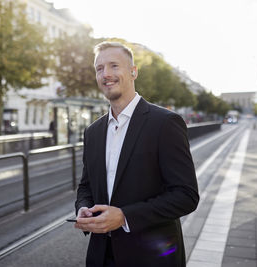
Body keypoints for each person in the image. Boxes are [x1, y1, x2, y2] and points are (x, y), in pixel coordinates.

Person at [74, 42, 199, 266]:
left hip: (151, 257)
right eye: (99, 68)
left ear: (133, 72)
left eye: (114, 65)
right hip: (101, 256)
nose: (106, 74)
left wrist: (124, 216)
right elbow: (86, 186)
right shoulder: (93, 132)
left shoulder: (165, 123)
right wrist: (83, 208)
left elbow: (186, 196)